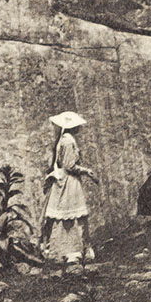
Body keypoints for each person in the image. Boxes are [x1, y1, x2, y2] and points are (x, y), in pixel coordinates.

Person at [41, 111, 99, 264]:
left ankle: (70, 250)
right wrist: (87, 171)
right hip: (68, 182)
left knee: (69, 215)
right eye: (77, 126)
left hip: (67, 180)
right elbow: (69, 165)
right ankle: (70, 252)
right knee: (70, 215)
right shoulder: (67, 141)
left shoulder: (64, 140)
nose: (79, 128)